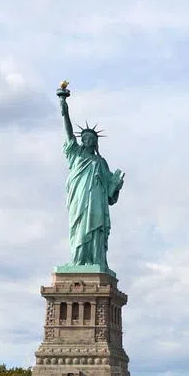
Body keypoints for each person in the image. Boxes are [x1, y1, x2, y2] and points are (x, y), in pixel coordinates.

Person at [58, 87, 124, 270]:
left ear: (95, 142)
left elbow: (110, 194)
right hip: (79, 198)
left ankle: (97, 261)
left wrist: (116, 185)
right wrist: (65, 110)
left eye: (90, 138)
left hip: (96, 200)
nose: (87, 140)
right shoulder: (76, 153)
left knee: (96, 228)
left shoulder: (100, 162)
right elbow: (69, 133)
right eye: (85, 137)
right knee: (79, 227)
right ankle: (78, 260)